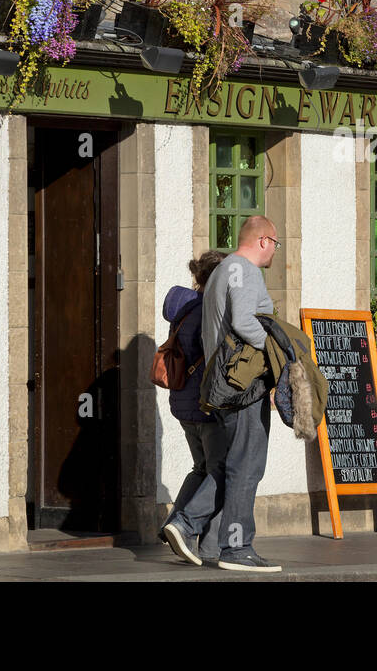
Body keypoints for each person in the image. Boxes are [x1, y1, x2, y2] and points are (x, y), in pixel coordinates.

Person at [161, 215, 281, 573]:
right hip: (244, 386)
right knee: (247, 467)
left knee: (230, 465)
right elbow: (245, 323)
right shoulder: (245, 271)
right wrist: (279, 350)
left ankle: (185, 524)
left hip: (222, 385)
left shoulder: (221, 272)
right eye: (275, 243)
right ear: (263, 241)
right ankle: (237, 547)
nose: (275, 249)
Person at [158, 250, 227, 563]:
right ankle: (193, 534)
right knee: (222, 470)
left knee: (201, 467)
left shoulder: (184, 309)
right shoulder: (208, 311)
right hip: (206, 404)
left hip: (183, 402)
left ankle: (175, 525)